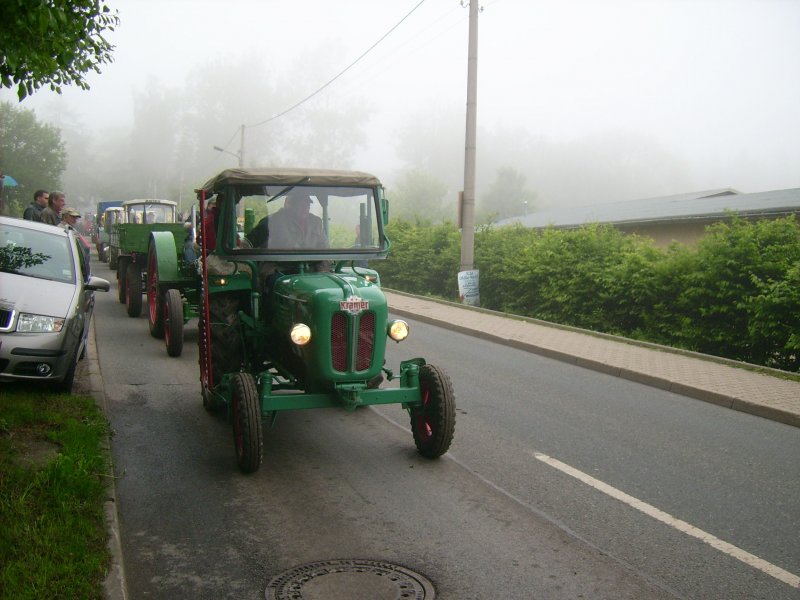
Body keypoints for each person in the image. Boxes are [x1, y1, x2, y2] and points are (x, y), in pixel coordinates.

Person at [246, 190, 328, 250]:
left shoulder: (316, 222)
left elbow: (324, 248)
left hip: (311, 267)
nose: (305, 207)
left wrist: (324, 267)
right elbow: (247, 244)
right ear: (290, 205)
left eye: (307, 204)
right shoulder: (272, 221)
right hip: (279, 266)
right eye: (301, 204)